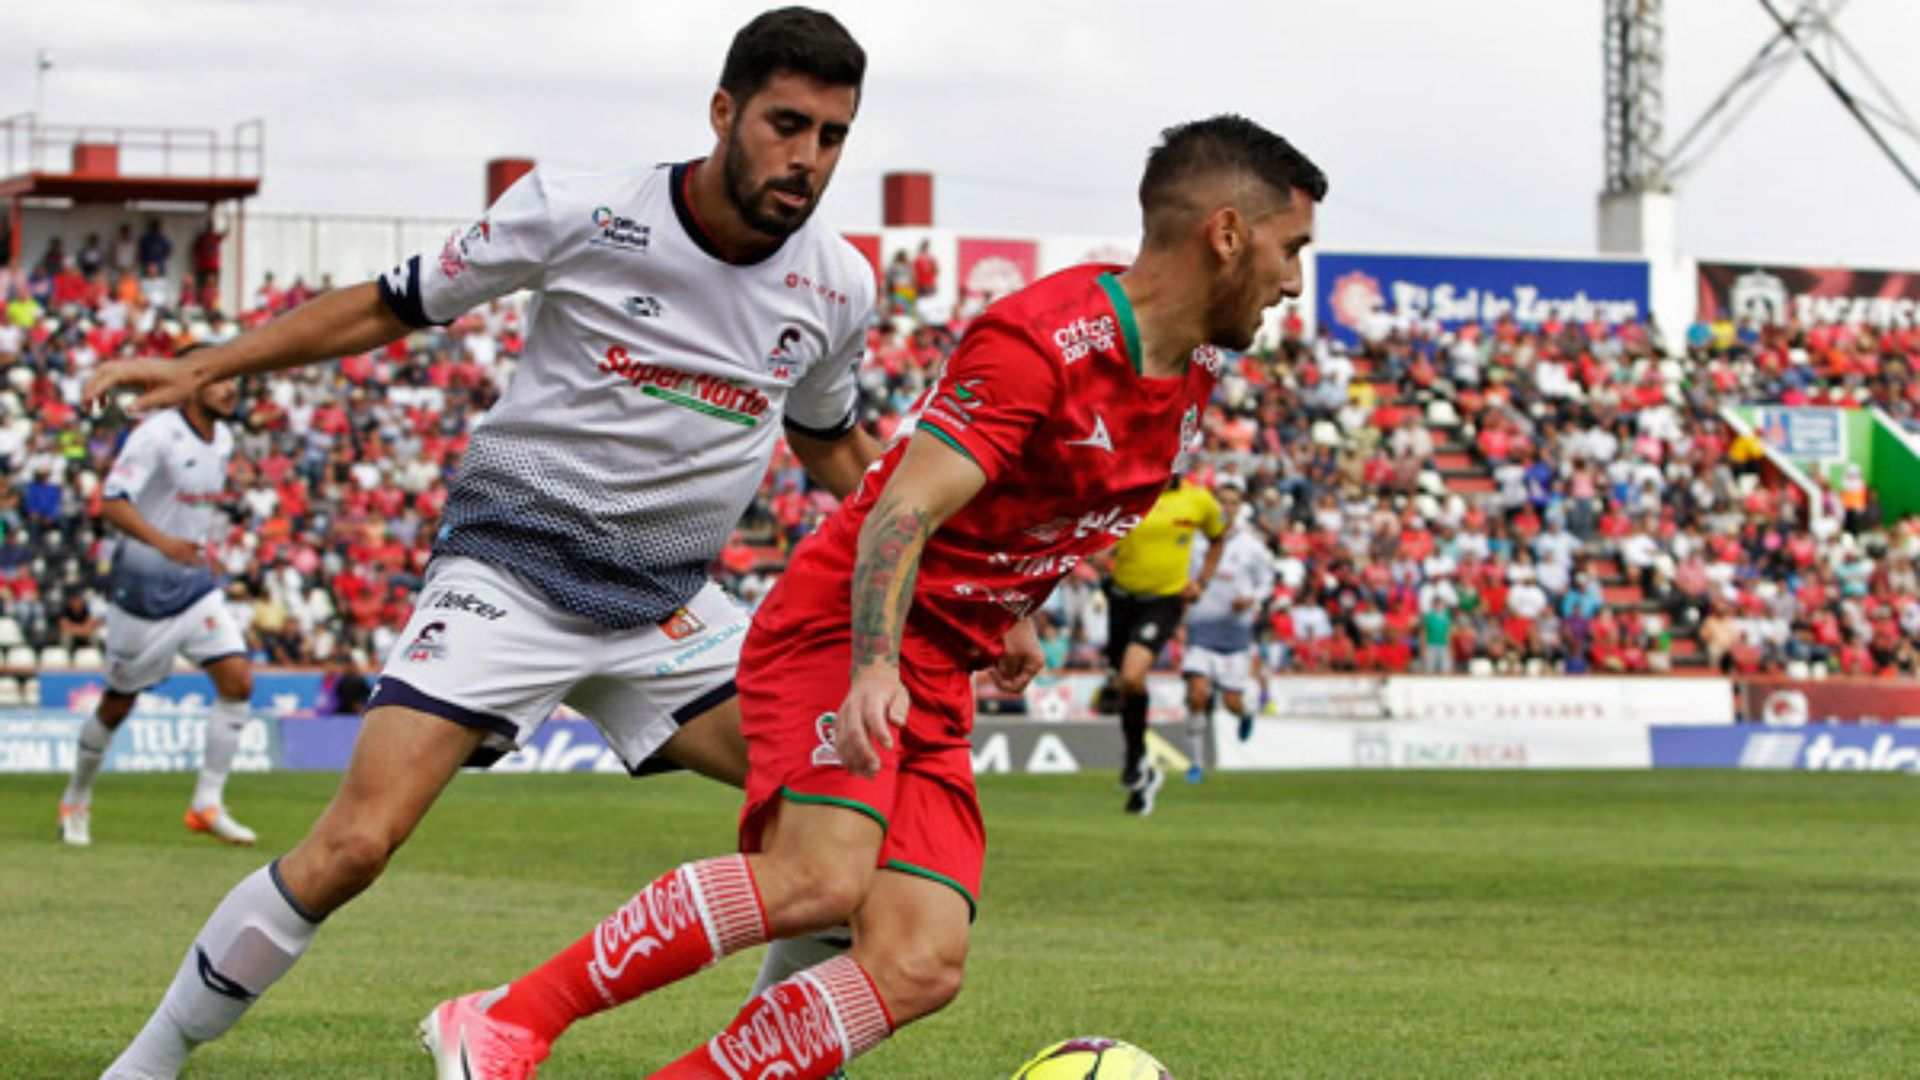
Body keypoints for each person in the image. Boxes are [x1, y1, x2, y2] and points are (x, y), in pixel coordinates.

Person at [427, 114, 1324, 1079]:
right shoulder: (1042, 341)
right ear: (1227, 233)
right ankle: (506, 1019)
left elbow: (1030, 505)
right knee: (819, 878)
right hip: (848, 629)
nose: (1293, 282)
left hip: (941, 661)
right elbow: (900, 508)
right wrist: (872, 666)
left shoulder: (1190, 376)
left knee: (919, 959)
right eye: (1291, 249)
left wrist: (1011, 608)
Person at [84, 10, 876, 1077]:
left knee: (835, 834)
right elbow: (389, 304)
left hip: (668, 607)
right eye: (788, 125)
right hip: (511, 573)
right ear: (724, 111)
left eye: (832, 136)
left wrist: (956, 560)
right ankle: (143, 1064)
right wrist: (209, 364)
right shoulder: (584, 209)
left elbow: (831, 444)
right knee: (354, 847)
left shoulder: (838, 284)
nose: (807, 159)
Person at [58, 353, 257, 849]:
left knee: (237, 679)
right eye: (218, 378)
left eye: (233, 377)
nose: (230, 388)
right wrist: (163, 543)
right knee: (118, 702)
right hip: (142, 593)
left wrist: (191, 551)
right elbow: (113, 501)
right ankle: (76, 798)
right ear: (190, 384)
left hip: (193, 589)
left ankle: (206, 803)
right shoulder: (156, 434)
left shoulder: (225, 438)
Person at [1103, 471, 1227, 813]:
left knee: (1131, 674)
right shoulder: (1126, 490)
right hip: (1120, 598)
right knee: (1124, 685)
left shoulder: (1198, 500)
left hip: (1163, 600)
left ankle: (1134, 759)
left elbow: (1219, 536)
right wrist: (1100, 554)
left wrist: (1201, 579)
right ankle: (1141, 769)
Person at [1179, 476, 1275, 777]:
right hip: (1200, 630)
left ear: (1239, 507)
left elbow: (1268, 582)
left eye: (1232, 502)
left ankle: (1246, 713)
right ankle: (1195, 763)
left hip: (1234, 634)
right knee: (1197, 694)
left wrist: (1253, 600)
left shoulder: (1252, 546)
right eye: (1222, 500)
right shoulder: (1196, 541)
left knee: (1232, 702)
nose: (1227, 506)